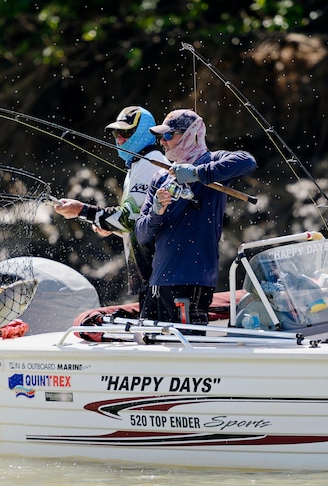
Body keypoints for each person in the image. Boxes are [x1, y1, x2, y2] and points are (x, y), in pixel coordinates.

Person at [135, 109, 257, 325]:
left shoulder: (212, 161)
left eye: (168, 135)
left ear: (192, 134)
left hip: (192, 282)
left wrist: (196, 174)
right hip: (156, 284)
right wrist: (156, 210)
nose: (162, 142)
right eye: (160, 137)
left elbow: (247, 161)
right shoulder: (160, 176)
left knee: (185, 352)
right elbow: (142, 235)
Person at [53, 106, 164, 306]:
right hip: (152, 275)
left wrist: (81, 210)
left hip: (159, 275)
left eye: (126, 133)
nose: (119, 139)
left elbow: (128, 220)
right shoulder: (139, 164)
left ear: (144, 132)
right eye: (116, 133)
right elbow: (139, 223)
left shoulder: (151, 165)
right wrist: (111, 228)